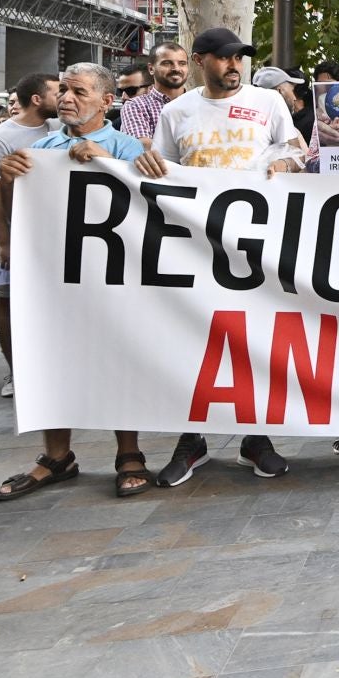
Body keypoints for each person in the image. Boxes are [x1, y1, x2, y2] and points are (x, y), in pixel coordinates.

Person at [136, 27, 304, 486]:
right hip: (195, 244)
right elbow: (162, 172)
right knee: (192, 338)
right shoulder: (176, 112)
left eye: (239, 58)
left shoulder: (268, 103)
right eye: (225, 57)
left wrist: (284, 164)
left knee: (252, 338)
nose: (234, 65)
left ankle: (255, 437)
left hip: (256, 241)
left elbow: (298, 153)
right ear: (200, 61)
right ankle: (191, 439)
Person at [0, 64, 154, 499]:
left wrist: (110, 163)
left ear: (106, 101)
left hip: (115, 274)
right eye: (63, 89)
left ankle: (129, 452)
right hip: (56, 274)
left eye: (78, 91)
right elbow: (21, 212)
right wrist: (9, 179)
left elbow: (154, 203)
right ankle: (56, 456)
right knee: (51, 358)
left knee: (119, 357)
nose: (65, 97)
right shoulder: (41, 149)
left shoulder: (127, 146)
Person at [0, 73, 60, 399]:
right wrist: (4, 240)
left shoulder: (58, 128)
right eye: (58, 92)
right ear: (37, 99)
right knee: (7, 300)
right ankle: (16, 371)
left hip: (47, 236)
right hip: (9, 236)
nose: (64, 98)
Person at [118, 41, 188, 145]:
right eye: (167, 63)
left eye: (182, 63)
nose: (176, 68)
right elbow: (144, 147)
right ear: (151, 69)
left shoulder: (199, 102)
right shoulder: (136, 106)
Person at [253, 66, 314, 142]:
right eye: (292, 91)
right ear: (279, 91)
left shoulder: (251, 125)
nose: (294, 98)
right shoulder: (286, 130)